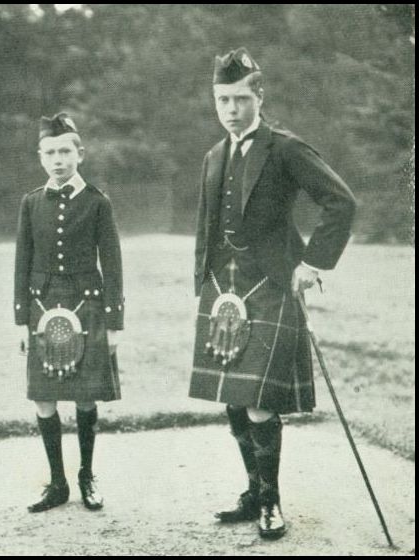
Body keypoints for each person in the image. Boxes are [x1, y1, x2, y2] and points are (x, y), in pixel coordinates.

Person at [189, 48, 357, 539]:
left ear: (259, 96)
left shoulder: (285, 148)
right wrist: (203, 282)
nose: (231, 109)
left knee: (260, 400)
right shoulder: (213, 156)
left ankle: (271, 503)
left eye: (241, 98)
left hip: (272, 287)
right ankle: (250, 492)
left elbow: (340, 203)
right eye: (223, 99)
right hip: (224, 292)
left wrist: (313, 263)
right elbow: (206, 226)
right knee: (234, 401)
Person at [14, 113, 124, 513]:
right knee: (43, 398)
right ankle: (57, 483)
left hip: (87, 305)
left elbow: (112, 263)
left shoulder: (97, 202)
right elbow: (21, 263)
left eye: (65, 151)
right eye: (49, 152)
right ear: (40, 157)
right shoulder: (30, 203)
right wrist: (21, 320)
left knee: (85, 398)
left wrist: (114, 322)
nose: (57, 159)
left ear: (80, 153)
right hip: (42, 307)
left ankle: (86, 476)